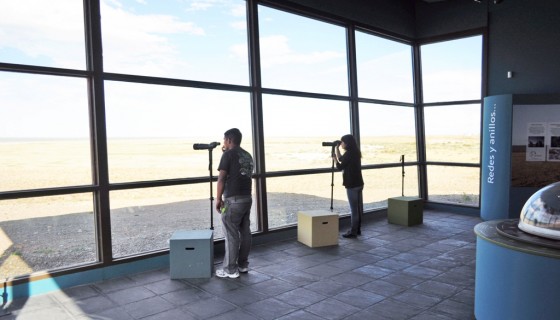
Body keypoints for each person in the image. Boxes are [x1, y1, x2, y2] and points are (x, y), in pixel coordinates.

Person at [215, 128, 254, 278]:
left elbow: (221, 179)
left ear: (229, 140)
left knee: (230, 233)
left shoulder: (228, 154)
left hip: (233, 200)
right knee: (245, 232)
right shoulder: (247, 155)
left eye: (225, 140)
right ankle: (243, 265)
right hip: (247, 199)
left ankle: (230, 269)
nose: (223, 142)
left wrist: (218, 199)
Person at [333, 134, 364, 238]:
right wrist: (337, 149)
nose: (341, 144)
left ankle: (353, 232)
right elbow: (342, 158)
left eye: (342, 142)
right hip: (359, 183)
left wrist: (334, 160)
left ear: (347, 143)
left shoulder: (349, 153)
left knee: (354, 210)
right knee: (358, 209)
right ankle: (358, 229)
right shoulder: (355, 152)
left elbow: (340, 165)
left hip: (352, 184)